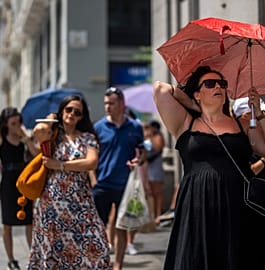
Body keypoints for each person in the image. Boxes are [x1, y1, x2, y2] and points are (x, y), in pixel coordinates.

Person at [153, 65, 265, 269]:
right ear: (197, 93)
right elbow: (160, 89)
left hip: (240, 206)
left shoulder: (242, 123)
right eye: (210, 84)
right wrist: (194, 105)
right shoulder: (185, 123)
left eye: (222, 84)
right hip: (199, 205)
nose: (218, 87)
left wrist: (259, 114)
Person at [27, 95, 111, 269]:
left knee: (98, 245)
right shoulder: (53, 136)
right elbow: (38, 133)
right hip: (52, 203)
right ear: (62, 111)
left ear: (82, 116)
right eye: (68, 109)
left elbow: (91, 162)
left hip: (80, 201)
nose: (72, 114)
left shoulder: (87, 137)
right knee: (53, 251)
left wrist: (60, 165)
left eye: (77, 112)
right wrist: (50, 121)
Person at [93, 87, 145, 270]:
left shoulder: (135, 127)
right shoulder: (98, 128)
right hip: (102, 184)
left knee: (122, 227)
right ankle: (101, 263)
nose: (107, 106)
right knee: (99, 229)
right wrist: (93, 179)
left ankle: (118, 266)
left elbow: (142, 151)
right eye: (106, 103)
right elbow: (91, 155)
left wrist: (139, 160)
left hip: (125, 185)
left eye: (111, 103)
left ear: (122, 105)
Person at [0, 107, 39, 270]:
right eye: (13, 123)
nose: (17, 126)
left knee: (29, 220)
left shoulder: (23, 136)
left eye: (19, 122)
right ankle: (11, 259)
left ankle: (33, 257)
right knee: (7, 222)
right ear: (6, 124)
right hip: (8, 181)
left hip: (23, 180)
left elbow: (37, 155)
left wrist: (26, 138)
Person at [144, 120, 166, 224]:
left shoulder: (158, 137)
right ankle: (152, 215)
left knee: (157, 192)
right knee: (150, 193)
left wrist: (151, 138)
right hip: (147, 167)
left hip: (155, 166)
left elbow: (158, 149)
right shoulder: (147, 137)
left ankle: (158, 214)